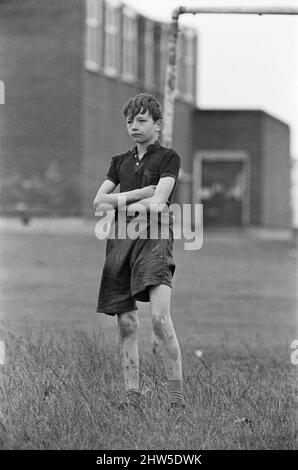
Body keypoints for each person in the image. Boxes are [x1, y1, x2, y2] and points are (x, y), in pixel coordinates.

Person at [93, 93, 185, 411]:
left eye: (142, 120)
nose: (134, 126)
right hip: (120, 240)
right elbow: (97, 203)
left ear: (158, 125)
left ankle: (176, 399)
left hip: (155, 239)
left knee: (160, 318)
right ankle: (132, 397)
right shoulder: (118, 162)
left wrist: (123, 201)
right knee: (127, 323)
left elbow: (158, 205)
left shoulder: (169, 158)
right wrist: (139, 193)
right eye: (130, 121)